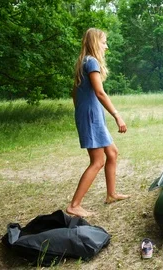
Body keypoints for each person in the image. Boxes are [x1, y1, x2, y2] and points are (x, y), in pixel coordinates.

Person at [67, 28, 129, 218]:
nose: (106, 46)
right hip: (91, 116)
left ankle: (111, 194)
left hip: (90, 114)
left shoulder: (83, 62)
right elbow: (100, 92)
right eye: (104, 42)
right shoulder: (91, 62)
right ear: (95, 42)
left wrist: (83, 111)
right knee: (98, 161)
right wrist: (117, 115)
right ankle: (74, 205)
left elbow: (74, 94)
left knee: (112, 152)